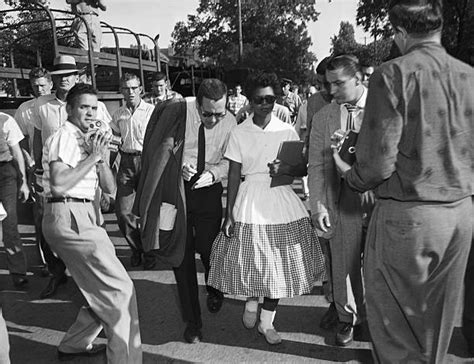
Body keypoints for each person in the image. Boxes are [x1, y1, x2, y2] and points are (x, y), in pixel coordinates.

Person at [332, 1, 473, 361]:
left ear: (401, 33)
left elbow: (378, 164)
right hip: (459, 215)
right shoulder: (467, 75)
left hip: (409, 217)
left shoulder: (393, 73)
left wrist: (350, 174)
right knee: (434, 330)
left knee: (395, 331)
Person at [208, 72, 325, 345]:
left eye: (270, 99)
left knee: (278, 265)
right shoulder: (239, 132)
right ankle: (251, 302)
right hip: (250, 198)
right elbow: (234, 174)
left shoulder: (286, 130)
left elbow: (300, 168)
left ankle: (266, 321)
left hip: (280, 198)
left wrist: (285, 168)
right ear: (249, 101)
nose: (265, 104)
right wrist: (229, 213)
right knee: (255, 261)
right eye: (259, 99)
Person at [42, 83, 142, 363]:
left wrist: (100, 159)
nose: (89, 112)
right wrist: (95, 156)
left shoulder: (90, 138)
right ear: (69, 109)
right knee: (120, 291)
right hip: (69, 215)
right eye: (83, 107)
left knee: (100, 288)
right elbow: (60, 184)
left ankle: (75, 343)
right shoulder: (64, 137)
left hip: (86, 216)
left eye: (93, 107)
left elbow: (110, 189)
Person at [134, 78, 235, 344]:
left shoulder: (231, 122)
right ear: (197, 102)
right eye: (207, 113)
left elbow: (232, 160)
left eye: (219, 114)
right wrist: (177, 169)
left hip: (209, 190)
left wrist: (214, 172)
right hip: (175, 190)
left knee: (209, 249)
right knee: (181, 256)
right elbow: (158, 151)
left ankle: (214, 286)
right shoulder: (177, 112)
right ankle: (193, 323)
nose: (213, 119)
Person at [33, 55, 111, 299]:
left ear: (76, 77)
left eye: (68, 74)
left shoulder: (96, 108)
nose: (64, 79)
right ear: (52, 79)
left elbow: (103, 143)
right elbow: (36, 138)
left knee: (95, 268)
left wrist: (100, 163)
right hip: (54, 181)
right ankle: (57, 276)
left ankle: (87, 296)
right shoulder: (41, 105)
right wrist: (35, 170)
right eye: (59, 75)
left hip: (85, 190)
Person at [308, 55, 371, 347]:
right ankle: (348, 319)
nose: (331, 91)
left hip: (383, 200)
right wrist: (318, 205)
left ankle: (376, 317)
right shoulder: (324, 117)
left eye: (338, 83)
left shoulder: (384, 109)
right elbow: (317, 167)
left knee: (379, 264)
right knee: (344, 264)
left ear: (358, 79)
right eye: (327, 84)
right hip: (341, 200)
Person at [110, 73, 154, 268]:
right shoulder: (118, 114)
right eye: (126, 88)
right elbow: (114, 140)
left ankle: (150, 252)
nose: (130, 92)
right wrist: (109, 164)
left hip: (147, 160)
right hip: (126, 161)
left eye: (134, 88)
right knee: (123, 211)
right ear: (122, 91)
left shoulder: (151, 111)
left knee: (148, 211)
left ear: (140, 90)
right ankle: (137, 248)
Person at [14, 67, 53, 277]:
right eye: (35, 86)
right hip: (37, 168)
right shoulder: (25, 109)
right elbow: (19, 139)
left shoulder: (58, 106)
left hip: (61, 167)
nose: (38, 89)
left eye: (42, 85)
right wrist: (28, 159)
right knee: (40, 215)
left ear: (50, 84)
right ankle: (46, 261)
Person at [0, 112, 30, 288]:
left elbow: (16, 152)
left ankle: (18, 271)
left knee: (9, 224)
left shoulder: (5, 120)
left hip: (5, 175)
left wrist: (23, 182)